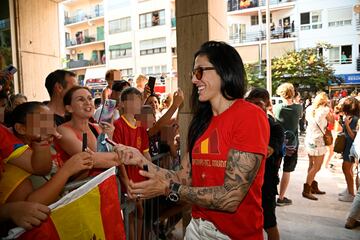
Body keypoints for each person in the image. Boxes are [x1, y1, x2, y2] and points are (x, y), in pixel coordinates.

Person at [118, 41, 270, 239]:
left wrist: (167, 189)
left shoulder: (249, 116)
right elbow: (183, 177)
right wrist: (141, 161)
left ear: (224, 70)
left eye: (199, 71)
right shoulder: (201, 122)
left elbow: (230, 197)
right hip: (196, 228)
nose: (193, 79)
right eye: (192, 73)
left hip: (232, 235)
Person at [55, 86, 120, 179]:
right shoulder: (63, 131)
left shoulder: (97, 128)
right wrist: (122, 156)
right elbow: (90, 160)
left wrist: (108, 135)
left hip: (104, 185)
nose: (88, 102)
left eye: (90, 98)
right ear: (69, 108)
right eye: (81, 99)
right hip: (79, 189)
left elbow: (106, 156)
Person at [245, 88, 284, 240]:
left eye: (258, 104)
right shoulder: (244, 124)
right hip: (245, 183)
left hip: (265, 184)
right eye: (251, 104)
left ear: (267, 104)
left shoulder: (275, 127)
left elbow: (267, 150)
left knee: (269, 223)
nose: (254, 108)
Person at [273, 83, 302, 206]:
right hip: (292, 143)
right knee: (287, 170)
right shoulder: (298, 108)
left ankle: (271, 194)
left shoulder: (277, 108)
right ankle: (281, 197)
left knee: (274, 169)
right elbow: (299, 117)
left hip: (278, 142)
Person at [302, 92, 333, 200]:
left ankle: (312, 186)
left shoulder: (309, 108)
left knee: (311, 165)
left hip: (309, 138)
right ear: (325, 101)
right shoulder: (325, 110)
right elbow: (332, 122)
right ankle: (306, 189)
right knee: (317, 166)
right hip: (319, 140)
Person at [339, 97, 359, 202]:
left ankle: (351, 193)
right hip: (348, 146)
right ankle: (349, 189)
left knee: (346, 168)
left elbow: (353, 136)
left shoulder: (354, 119)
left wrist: (346, 125)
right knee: (348, 169)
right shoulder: (351, 117)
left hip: (351, 147)